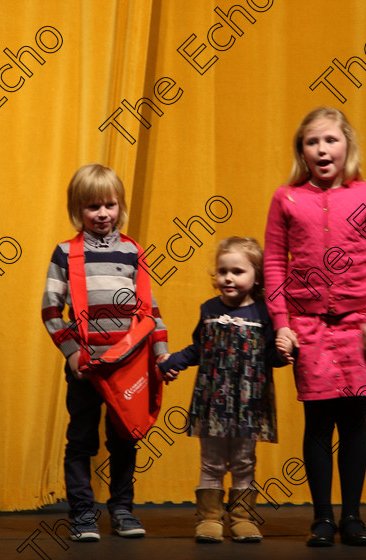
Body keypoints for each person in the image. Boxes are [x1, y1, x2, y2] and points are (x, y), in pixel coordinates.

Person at [264, 107, 366, 547]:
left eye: (330, 140)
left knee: (354, 422)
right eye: (312, 142)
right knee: (318, 423)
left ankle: (354, 517)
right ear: (301, 151)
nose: (322, 150)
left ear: (347, 145)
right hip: (307, 329)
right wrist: (282, 324)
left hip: (355, 327)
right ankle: (323, 518)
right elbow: (272, 264)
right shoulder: (285, 198)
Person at [41, 163, 169, 542]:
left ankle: (123, 510)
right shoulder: (66, 253)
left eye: (109, 205)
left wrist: (160, 352)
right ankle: (82, 514)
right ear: (77, 210)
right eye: (92, 207)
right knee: (81, 438)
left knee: (125, 438)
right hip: (86, 367)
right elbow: (50, 310)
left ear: (121, 206)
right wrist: (70, 353)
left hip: (127, 366)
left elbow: (150, 309)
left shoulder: (133, 252)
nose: (102, 214)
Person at [159, 236, 291, 543]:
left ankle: (243, 517)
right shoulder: (208, 309)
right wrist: (173, 361)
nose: (228, 277)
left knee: (244, 462)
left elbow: (269, 356)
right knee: (212, 462)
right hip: (212, 402)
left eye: (237, 271)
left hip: (250, 402)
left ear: (257, 276)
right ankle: (209, 518)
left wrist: (283, 354)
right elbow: (198, 349)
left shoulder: (264, 314)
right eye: (222, 271)